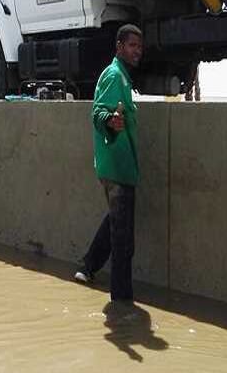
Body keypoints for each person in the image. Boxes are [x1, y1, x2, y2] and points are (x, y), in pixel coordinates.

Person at [75, 24, 143, 303]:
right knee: (123, 241)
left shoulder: (122, 76)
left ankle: (88, 267)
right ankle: (121, 304)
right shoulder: (114, 74)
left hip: (121, 165)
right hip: (115, 165)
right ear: (119, 47)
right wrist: (109, 121)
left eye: (140, 47)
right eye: (132, 46)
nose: (137, 51)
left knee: (116, 223)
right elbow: (98, 112)